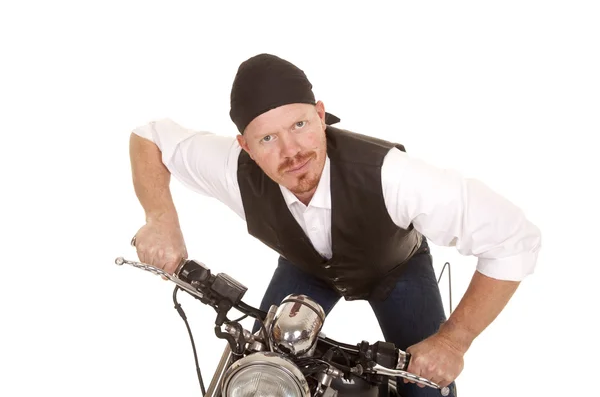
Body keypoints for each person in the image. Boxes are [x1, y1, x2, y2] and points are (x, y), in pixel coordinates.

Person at [128, 53, 541, 396]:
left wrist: (454, 340)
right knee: (259, 370)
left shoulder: (394, 177)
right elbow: (151, 137)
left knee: (426, 387)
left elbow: (514, 239)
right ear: (246, 146)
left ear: (321, 115)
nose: (291, 151)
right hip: (305, 267)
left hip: (393, 267)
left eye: (300, 125)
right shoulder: (231, 169)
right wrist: (160, 219)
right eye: (267, 139)